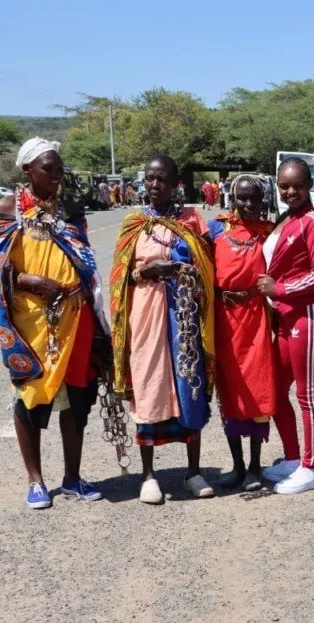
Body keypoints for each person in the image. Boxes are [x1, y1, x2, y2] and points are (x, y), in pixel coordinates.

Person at [0, 138, 112, 509]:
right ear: (27, 171)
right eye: (47, 168)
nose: (56, 175)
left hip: (75, 315)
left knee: (77, 398)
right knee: (30, 396)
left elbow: (85, 264)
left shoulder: (70, 209)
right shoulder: (6, 211)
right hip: (32, 320)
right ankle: (36, 481)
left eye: (58, 168)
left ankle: (72, 477)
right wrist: (30, 281)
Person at [110, 154, 217, 504]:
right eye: (149, 178)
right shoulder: (133, 223)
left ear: (176, 185)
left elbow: (208, 267)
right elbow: (120, 279)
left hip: (184, 316)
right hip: (145, 314)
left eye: (162, 180)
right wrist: (149, 272)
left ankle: (193, 472)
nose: (154, 185)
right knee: (149, 383)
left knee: (190, 383)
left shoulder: (192, 219)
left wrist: (183, 270)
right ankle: (148, 475)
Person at [257, 158, 314, 495]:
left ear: (309, 186)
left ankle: (312, 466)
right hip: (285, 319)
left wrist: (280, 289)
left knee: (309, 396)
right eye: (284, 186)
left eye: (298, 186)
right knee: (275, 390)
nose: (291, 191)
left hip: (309, 317)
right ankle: (293, 457)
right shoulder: (286, 219)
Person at [208, 174, 277, 491]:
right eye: (241, 198)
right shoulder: (216, 231)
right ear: (232, 198)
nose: (247, 205)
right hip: (224, 319)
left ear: (263, 201)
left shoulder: (269, 236)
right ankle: (236, 466)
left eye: (254, 199)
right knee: (230, 389)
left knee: (258, 388)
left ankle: (254, 467)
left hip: (255, 319)